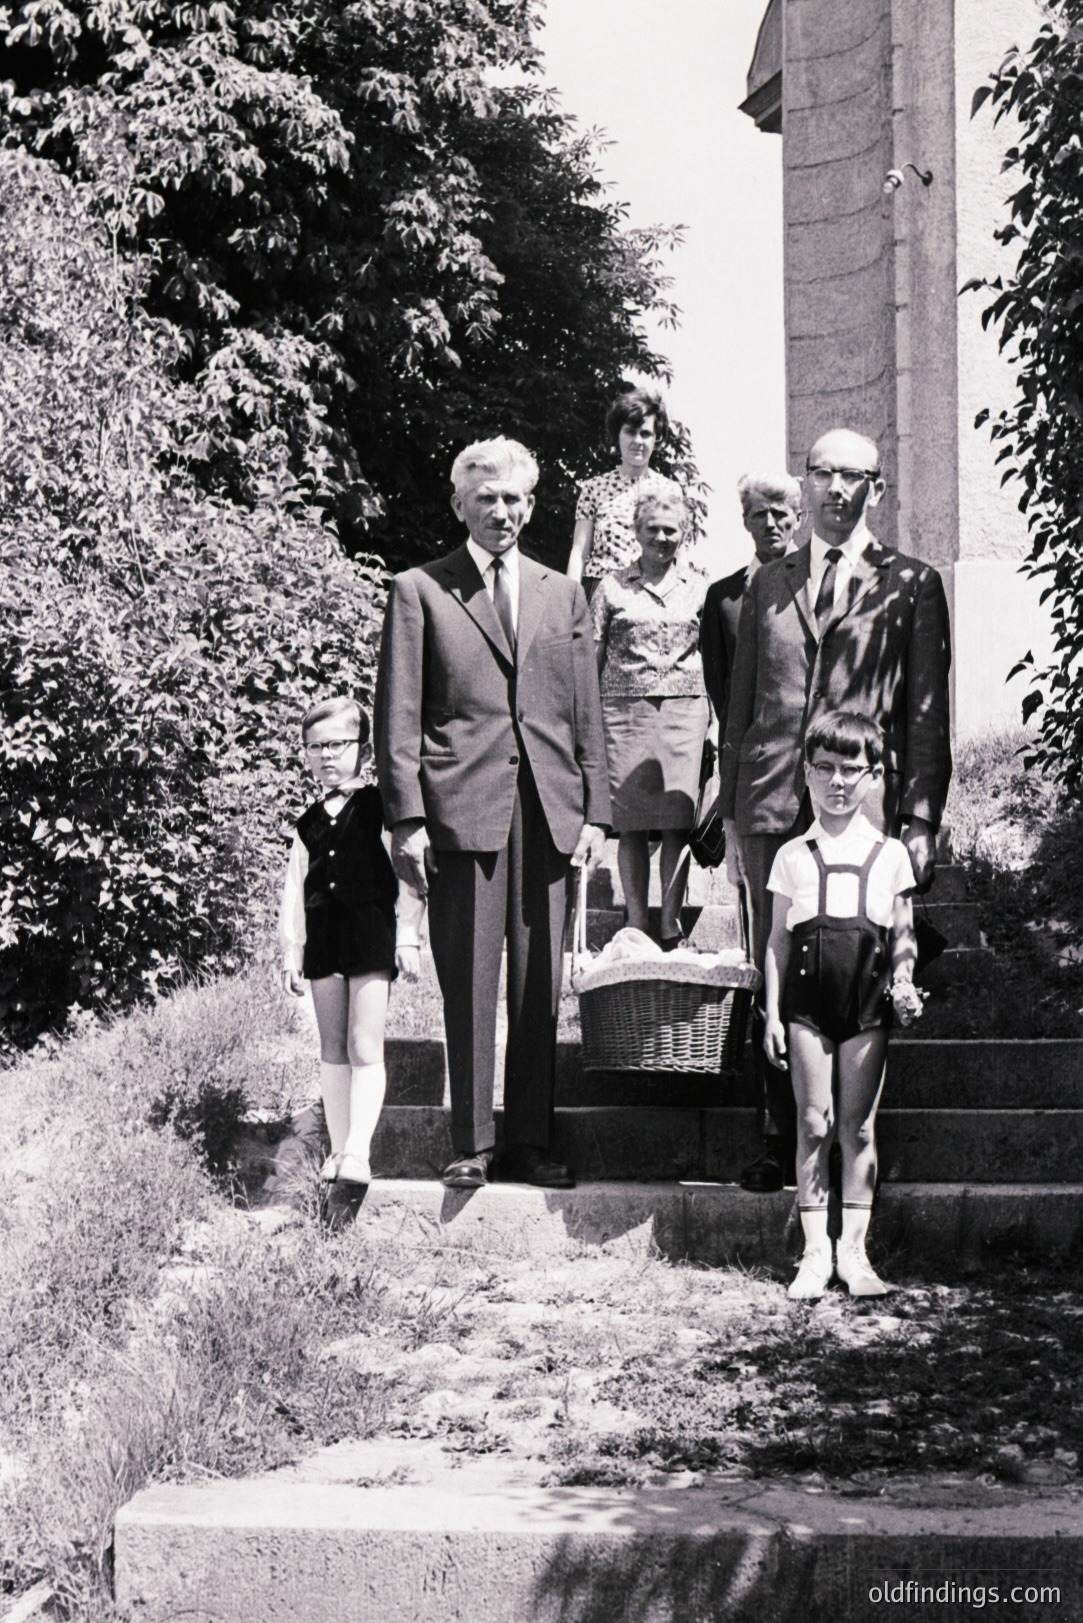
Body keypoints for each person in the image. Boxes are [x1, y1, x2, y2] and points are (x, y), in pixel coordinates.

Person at [374, 437, 610, 1192]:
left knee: (538, 983)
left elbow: (585, 712)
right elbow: (398, 711)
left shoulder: (561, 593)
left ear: (531, 505)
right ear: (459, 505)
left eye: (513, 499)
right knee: (469, 978)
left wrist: (596, 811)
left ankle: (530, 1143)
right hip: (461, 808)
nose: (501, 511)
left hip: (548, 809)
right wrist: (405, 817)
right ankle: (471, 1142)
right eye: (486, 499)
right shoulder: (419, 590)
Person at [720, 428, 952, 1195]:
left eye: (852, 476)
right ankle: (774, 1131)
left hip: (863, 802)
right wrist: (731, 808)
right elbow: (742, 702)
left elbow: (924, 714)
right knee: (775, 961)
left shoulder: (910, 583)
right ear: (804, 481)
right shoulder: (765, 583)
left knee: (859, 966)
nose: (834, 489)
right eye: (820, 473)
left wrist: (918, 818)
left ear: (875, 488)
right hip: (771, 800)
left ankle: (856, 1139)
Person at [764, 713, 923, 1299]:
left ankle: (854, 1253)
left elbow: (903, 935)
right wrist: (774, 1014)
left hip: (865, 1005)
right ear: (806, 774)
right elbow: (778, 942)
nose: (836, 782)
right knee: (814, 1122)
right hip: (806, 1006)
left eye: (850, 771)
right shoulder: (792, 856)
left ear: (874, 777)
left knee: (856, 1127)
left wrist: (903, 980)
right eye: (824, 769)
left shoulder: (890, 856)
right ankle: (814, 1254)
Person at [280, 696, 424, 1185]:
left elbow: (408, 875)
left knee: (364, 1043)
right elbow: (296, 890)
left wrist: (407, 934)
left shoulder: (380, 808)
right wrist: (292, 950)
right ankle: (338, 1151)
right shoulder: (308, 823)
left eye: (338, 744)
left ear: (363, 749)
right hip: (323, 939)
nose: (326, 756)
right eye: (314, 747)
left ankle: (359, 1151)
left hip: (368, 933)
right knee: (333, 1045)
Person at [591, 487, 710, 947]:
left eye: (671, 530)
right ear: (637, 533)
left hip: (685, 712)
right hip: (624, 714)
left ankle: (671, 923)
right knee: (633, 824)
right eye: (653, 529)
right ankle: (637, 921)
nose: (662, 538)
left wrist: (714, 720)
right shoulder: (612, 587)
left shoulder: (700, 586)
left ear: (684, 534)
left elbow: (712, 658)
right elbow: (592, 654)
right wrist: (589, 719)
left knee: (677, 821)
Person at [700, 472, 803, 732]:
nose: (770, 524)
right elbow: (717, 681)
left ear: (799, 519)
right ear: (746, 522)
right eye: (759, 514)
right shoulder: (723, 597)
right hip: (747, 744)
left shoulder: (822, 584)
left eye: (780, 513)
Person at [567, 386, 681, 597]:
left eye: (646, 433)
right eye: (630, 431)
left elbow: (677, 554)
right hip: (600, 590)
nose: (638, 441)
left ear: (656, 439)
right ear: (617, 434)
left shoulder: (669, 490)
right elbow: (579, 552)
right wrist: (569, 602)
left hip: (651, 592)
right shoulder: (594, 488)